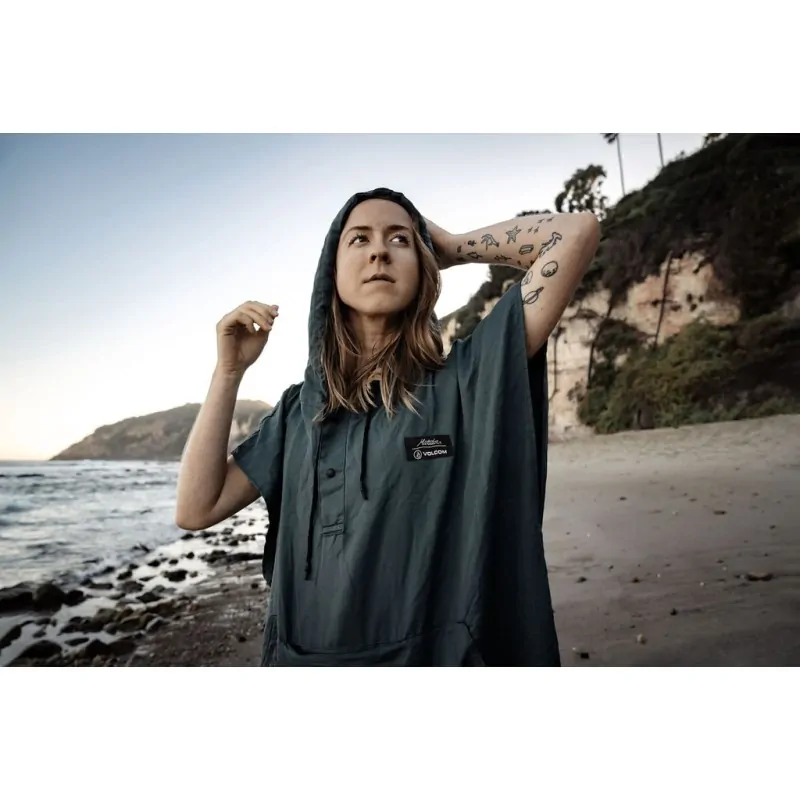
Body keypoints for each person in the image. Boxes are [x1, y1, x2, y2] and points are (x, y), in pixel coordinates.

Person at [175, 187, 600, 666]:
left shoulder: (468, 379)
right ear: (331, 273)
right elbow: (196, 508)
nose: (379, 251)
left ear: (421, 265)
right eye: (359, 239)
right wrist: (228, 372)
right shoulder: (298, 413)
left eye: (399, 239)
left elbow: (576, 232)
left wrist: (448, 246)